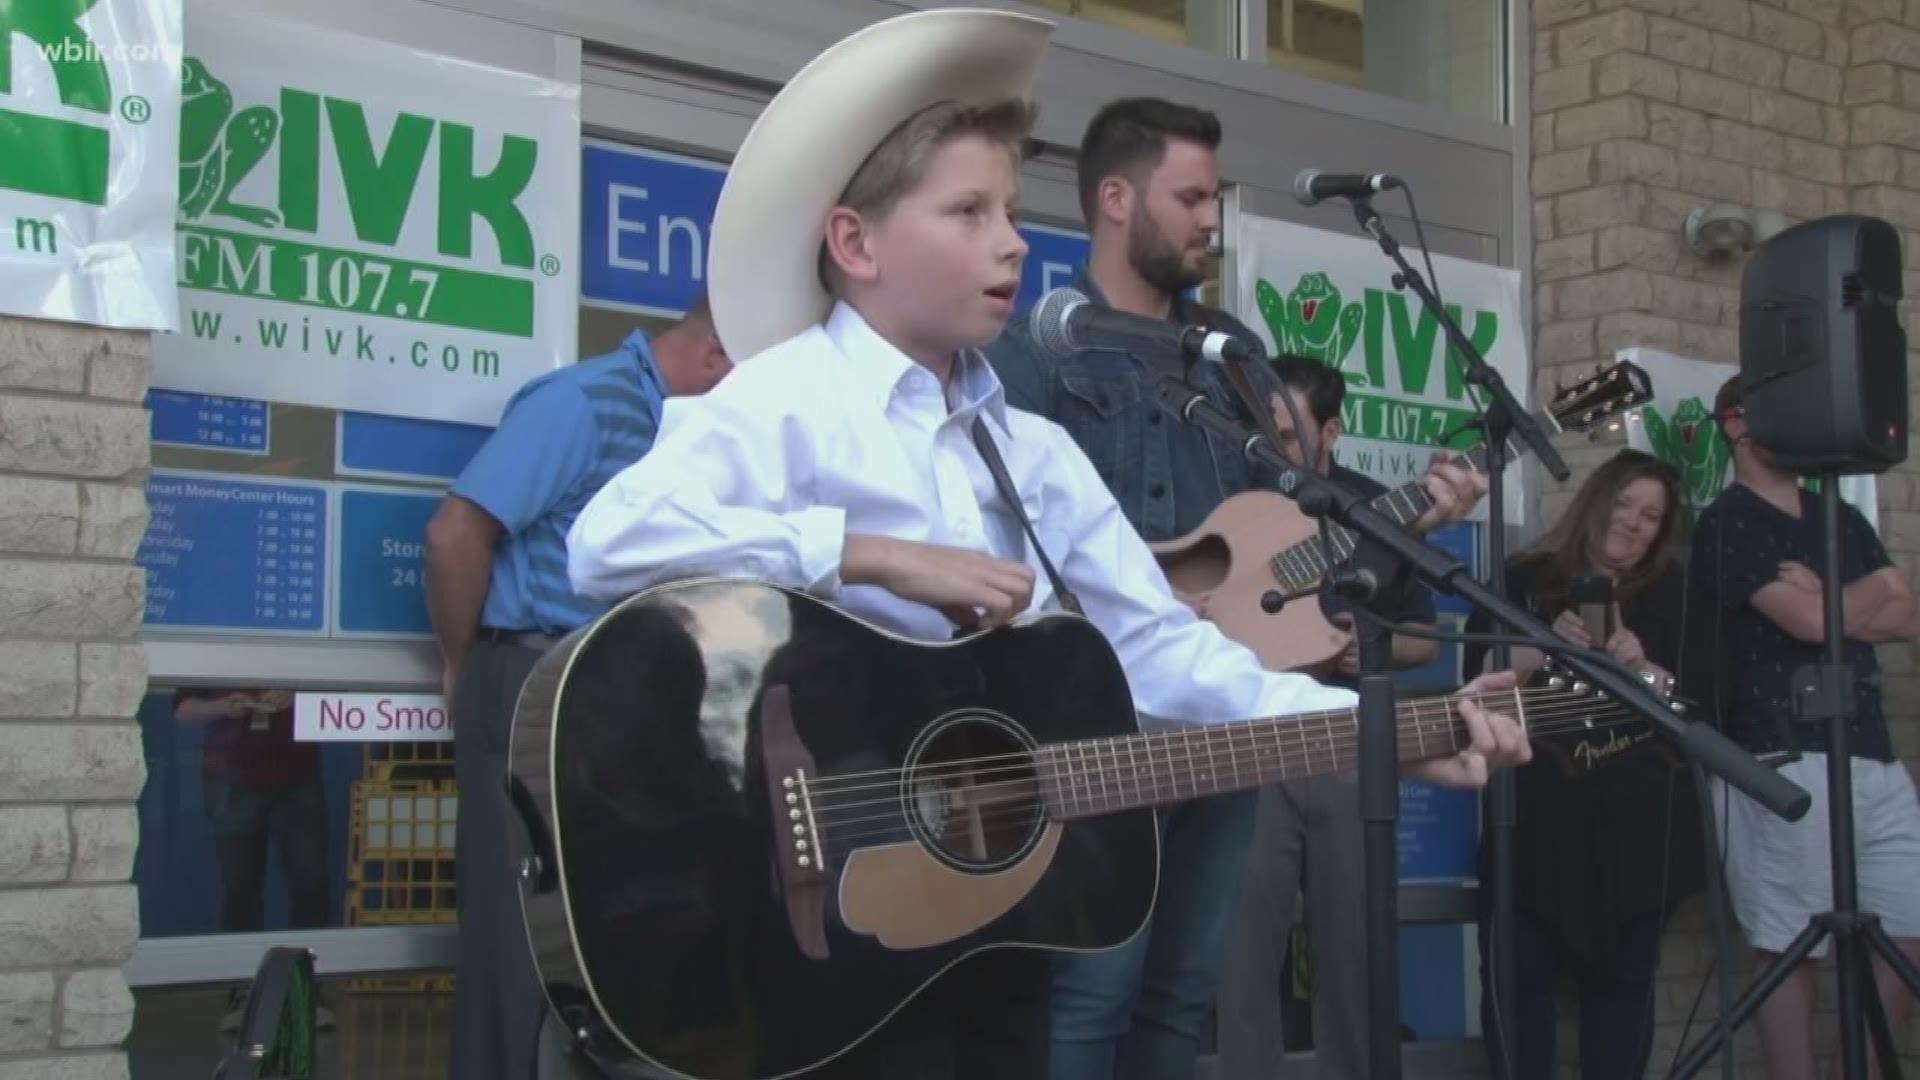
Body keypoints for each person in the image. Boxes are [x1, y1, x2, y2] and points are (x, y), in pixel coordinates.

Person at [565, 10, 1529, 1078]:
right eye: (969, 212)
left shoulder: (1031, 454)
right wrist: (866, 553)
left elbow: (1164, 649)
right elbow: (609, 542)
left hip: (985, 910)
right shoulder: (787, 398)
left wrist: (1383, 732)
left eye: (1013, 212)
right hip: (810, 923)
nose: (1013, 243)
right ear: (856, 242)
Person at [985, 98, 1482, 1080]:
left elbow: (1280, 541)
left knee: (1180, 1003)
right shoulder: (1037, 349)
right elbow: (998, 534)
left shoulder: (1225, 356)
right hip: (1096, 740)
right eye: (1192, 196)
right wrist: (1120, 612)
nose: (1211, 217)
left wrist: (1407, 517)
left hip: (1222, 732)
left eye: (1213, 195)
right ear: (1117, 199)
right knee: (1090, 1001)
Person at [424, 298, 729, 1080]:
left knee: (601, 948)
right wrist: (465, 663)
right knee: (517, 943)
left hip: (620, 705)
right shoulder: (585, 404)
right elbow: (457, 533)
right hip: (530, 682)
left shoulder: (685, 432)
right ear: (715, 357)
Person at [1214, 354, 1445, 1080]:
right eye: (1259, 430)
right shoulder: (1227, 500)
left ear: (1333, 432)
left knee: (1356, 952)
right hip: (1245, 750)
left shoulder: (1374, 509)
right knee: (1241, 961)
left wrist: (1363, 647)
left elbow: (1426, 639)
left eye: (1285, 435)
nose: (1268, 449)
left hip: (1345, 747)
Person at [1691, 376, 1920, 1080]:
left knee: (1906, 931)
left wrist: (1829, 597)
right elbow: (1813, 624)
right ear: (1736, 422)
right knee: (1792, 946)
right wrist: (1853, 599)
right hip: (1781, 755)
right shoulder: (1728, 522)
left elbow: (1907, 615)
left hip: (1873, 753)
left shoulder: (1840, 518)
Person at [1458, 449, 1707, 1079]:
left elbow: (1702, 719)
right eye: (1623, 503)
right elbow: (1474, 689)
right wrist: (1539, 646)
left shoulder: (1679, 594)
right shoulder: (1522, 578)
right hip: (1536, 826)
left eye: (1650, 516)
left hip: (1637, 836)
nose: (1632, 523)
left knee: (1623, 997)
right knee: (1517, 986)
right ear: (1596, 501)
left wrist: (1640, 666)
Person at [173, 686, 334, 1032]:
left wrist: (298, 697)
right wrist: (225, 706)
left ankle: (305, 992)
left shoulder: (307, 636)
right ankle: (242, 993)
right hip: (230, 774)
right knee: (239, 889)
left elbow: (342, 696)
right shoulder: (215, 640)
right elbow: (183, 711)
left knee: (311, 884)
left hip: (297, 776)